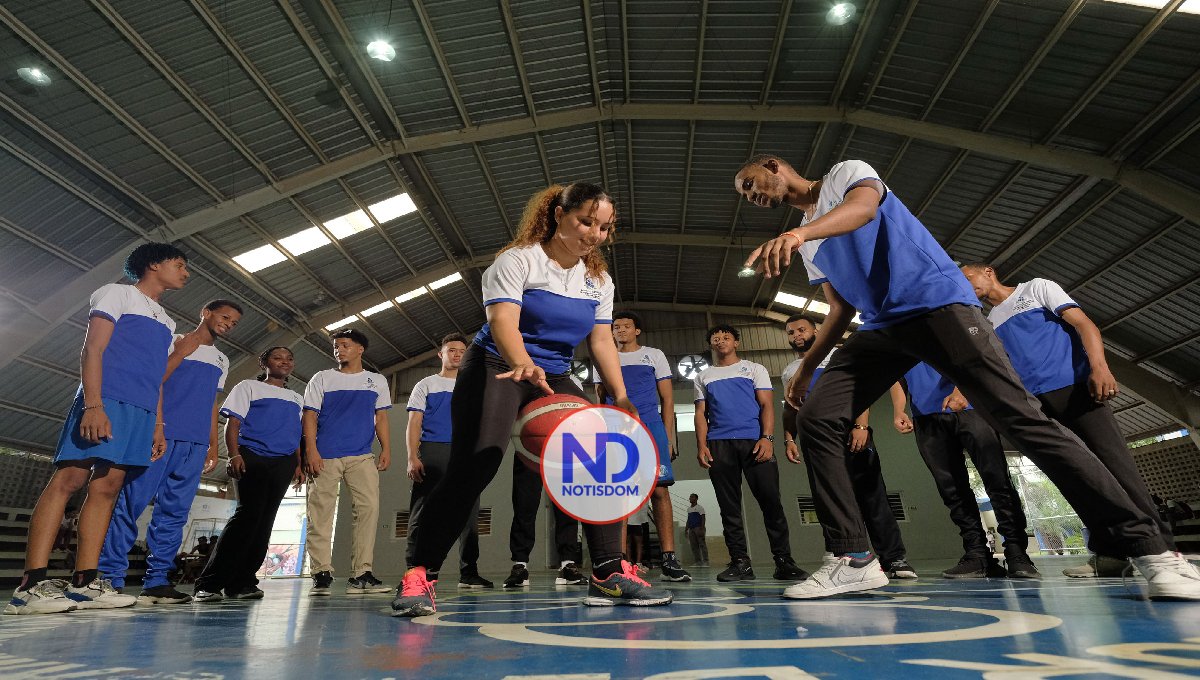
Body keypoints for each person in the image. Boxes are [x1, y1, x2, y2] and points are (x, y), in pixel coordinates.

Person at [737, 154, 1199, 600]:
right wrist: (808, 369)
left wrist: (798, 233)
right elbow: (840, 309)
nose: (749, 195)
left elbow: (863, 209)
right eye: (744, 194)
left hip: (937, 304)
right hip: (883, 327)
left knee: (1022, 420)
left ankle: (1154, 551)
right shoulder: (810, 245)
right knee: (817, 416)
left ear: (774, 167)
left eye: (750, 183)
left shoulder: (844, 174)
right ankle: (853, 557)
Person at [392, 182, 674, 616]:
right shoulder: (518, 260)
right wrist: (522, 362)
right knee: (477, 463)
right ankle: (419, 575)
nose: (595, 234)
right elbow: (502, 321)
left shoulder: (598, 280)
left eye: (604, 227)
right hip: (495, 364)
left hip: (554, 372)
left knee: (601, 457)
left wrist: (621, 396)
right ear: (558, 215)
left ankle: (607, 571)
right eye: (586, 222)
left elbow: (601, 340)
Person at [960, 265, 1180, 579]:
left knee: (1119, 469)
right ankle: (1111, 554)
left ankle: (1164, 551)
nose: (965, 285)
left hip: (1075, 389)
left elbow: (1083, 324)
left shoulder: (1036, 288)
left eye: (967, 277)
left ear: (987, 271)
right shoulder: (990, 321)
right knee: (1077, 478)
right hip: (1037, 405)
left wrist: (1099, 367)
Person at [5, 243, 188, 615]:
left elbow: (156, 377)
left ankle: (85, 583)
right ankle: (30, 586)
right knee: (70, 479)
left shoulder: (168, 322)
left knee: (107, 487)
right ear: (154, 265)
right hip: (105, 399)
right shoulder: (116, 293)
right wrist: (93, 405)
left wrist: (157, 424)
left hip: (141, 411)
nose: (185, 273)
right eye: (179, 264)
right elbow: (93, 350)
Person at [99, 299, 242, 604]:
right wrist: (158, 424)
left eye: (234, 323)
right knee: (131, 505)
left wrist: (212, 444)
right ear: (205, 313)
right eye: (225, 317)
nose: (229, 324)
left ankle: (157, 582)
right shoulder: (173, 341)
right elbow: (154, 382)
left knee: (175, 514)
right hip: (160, 435)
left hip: (195, 444)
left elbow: (212, 403)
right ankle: (109, 577)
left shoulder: (222, 360)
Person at [781, 314, 916, 580]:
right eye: (791, 332)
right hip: (817, 440)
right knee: (829, 499)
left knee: (872, 495)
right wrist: (789, 438)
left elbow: (858, 389)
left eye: (801, 329)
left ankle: (893, 559)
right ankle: (842, 557)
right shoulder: (790, 371)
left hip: (851, 431)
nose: (797, 335)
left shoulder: (839, 355)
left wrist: (861, 426)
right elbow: (791, 407)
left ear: (816, 331)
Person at [890, 362, 1038, 579]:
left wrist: (962, 390)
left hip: (971, 407)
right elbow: (897, 375)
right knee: (952, 491)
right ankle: (977, 554)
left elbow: (971, 357)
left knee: (997, 481)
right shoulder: (896, 344)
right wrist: (898, 410)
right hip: (926, 417)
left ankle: (1017, 553)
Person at [695, 324, 807, 583]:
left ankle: (783, 562)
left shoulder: (755, 369)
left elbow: (767, 405)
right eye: (715, 338)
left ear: (736, 342)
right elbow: (701, 413)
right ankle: (740, 563)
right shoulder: (703, 376)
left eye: (726, 337)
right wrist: (701, 445)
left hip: (755, 442)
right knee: (729, 508)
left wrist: (767, 438)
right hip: (719, 444)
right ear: (711, 345)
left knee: (771, 503)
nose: (720, 341)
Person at [193, 346, 304, 601]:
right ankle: (209, 584)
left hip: (284, 461)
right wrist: (234, 455)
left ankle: (242, 583)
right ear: (264, 363)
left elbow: (296, 433)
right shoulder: (248, 387)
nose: (284, 362)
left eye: (289, 358)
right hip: (253, 455)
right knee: (247, 517)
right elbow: (233, 424)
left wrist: (298, 463)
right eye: (277, 358)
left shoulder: (297, 398)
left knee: (265, 521)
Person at [595, 311, 691, 581]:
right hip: (616, 429)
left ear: (637, 330)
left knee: (659, 491)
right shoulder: (603, 356)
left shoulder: (654, 355)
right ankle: (619, 561)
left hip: (650, 427)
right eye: (616, 327)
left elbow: (668, 400)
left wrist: (668, 437)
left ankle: (669, 560)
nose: (620, 330)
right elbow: (600, 399)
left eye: (626, 326)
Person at [303, 328, 392, 595]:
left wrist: (386, 448)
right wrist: (311, 451)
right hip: (325, 455)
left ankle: (361, 574)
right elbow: (309, 416)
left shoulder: (376, 381)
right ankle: (321, 574)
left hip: (361, 455)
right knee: (320, 515)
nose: (338, 350)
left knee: (368, 510)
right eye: (336, 346)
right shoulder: (322, 378)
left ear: (360, 349)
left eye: (344, 345)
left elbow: (381, 418)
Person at [406, 333, 493, 589]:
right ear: (440, 354)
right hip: (433, 451)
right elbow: (414, 422)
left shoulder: (475, 385)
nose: (457, 354)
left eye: (462, 351)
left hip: (466, 454)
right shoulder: (425, 384)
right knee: (421, 512)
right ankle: (415, 572)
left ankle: (469, 573)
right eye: (452, 350)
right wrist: (412, 456)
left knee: (469, 515)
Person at [505, 458, 585, 587]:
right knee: (524, 504)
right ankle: (520, 565)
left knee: (566, 506)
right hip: (530, 449)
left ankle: (567, 563)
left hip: (562, 451)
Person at [685, 494, 709, 566]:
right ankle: (698, 562)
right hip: (691, 529)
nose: (690, 498)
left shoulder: (700, 508)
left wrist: (702, 528)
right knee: (694, 546)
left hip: (698, 528)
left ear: (696, 499)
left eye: (692, 497)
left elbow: (703, 518)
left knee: (702, 545)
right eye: (690, 497)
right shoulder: (689, 509)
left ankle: (706, 561)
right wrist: (686, 529)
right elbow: (688, 519)